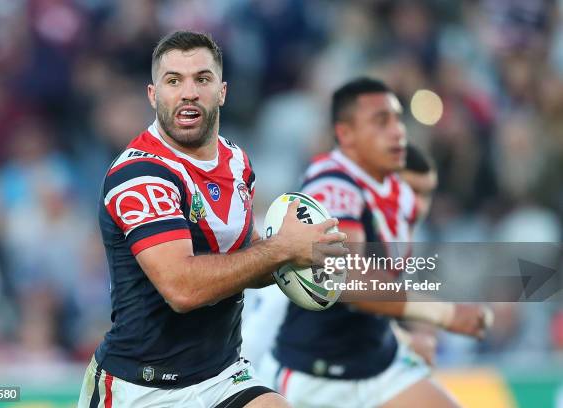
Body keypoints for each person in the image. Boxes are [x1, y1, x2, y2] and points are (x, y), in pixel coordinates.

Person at [77, 30, 347, 408]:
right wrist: (282, 249)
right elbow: (183, 289)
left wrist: (307, 255)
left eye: (202, 79)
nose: (189, 92)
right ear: (154, 95)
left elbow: (249, 258)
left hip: (222, 376)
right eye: (174, 81)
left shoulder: (237, 162)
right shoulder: (140, 176)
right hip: (143, 388)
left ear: (221, 91)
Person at [259, 77, 492, 408]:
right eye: (381, 121)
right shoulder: (331, 184)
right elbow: (349, 279)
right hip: (316, 376)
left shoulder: (391, 190)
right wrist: (443, 313)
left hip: (378, 364)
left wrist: (401, 338)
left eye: (398, 119)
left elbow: (376, 291)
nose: (397, 131)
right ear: (346, 135)